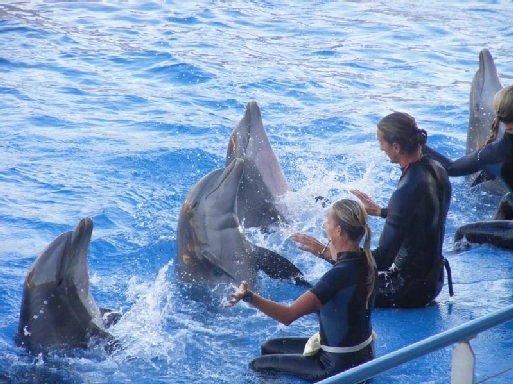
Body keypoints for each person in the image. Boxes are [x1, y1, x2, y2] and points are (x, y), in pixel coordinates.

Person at [294, 112, 452, 309]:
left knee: (325, 292)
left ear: (396, 147)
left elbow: (382, 260)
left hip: (408, 290)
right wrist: (380, 212)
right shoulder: (437, 169)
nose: (381, 148)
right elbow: (423, 216)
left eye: (382, 142)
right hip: (434, 280)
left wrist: (327, 253)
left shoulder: (406, 190)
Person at [224, 199, 377, 383]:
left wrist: (249, 297)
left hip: (337, 367)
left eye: (328, 219)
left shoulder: (335, 278)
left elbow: (287, 316)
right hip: (364, 356)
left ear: (339, 230)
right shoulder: (368, 260)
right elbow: (348, 272)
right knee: (269, 347)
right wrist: (323, 251)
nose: (324, 222)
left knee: (257, 365)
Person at [423, 85, 513, 218]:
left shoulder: (492, 153)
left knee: (463, 233)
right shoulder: (493, 153)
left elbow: (451, 168)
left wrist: (417, 141)